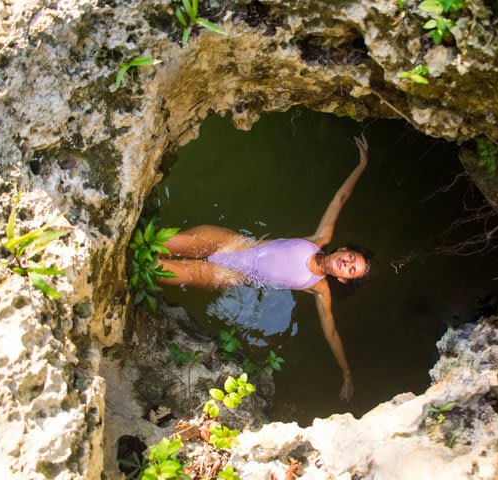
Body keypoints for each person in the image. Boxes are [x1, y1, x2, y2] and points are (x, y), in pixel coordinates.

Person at [157, 135, 371, 401]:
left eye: (351, 270)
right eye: (351, 257)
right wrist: (362, 164)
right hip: (228, 242)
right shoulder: (319, 240)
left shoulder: (319, 289)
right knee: (163, 242)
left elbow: (331, 332)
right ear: (342, 250)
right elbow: (341, 198)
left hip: (228, 275)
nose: (348, 263)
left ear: (342, 280)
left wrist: (347, 373)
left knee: (159, 270)